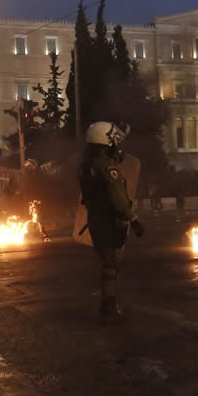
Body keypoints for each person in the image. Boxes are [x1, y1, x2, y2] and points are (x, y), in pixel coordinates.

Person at [77, 121, 144, 325]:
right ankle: (109, 309)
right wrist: (134, 219)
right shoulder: (108, 168)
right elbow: (118, 200)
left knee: (108, 264)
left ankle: (106, 307)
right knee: (112, 265)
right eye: (113, 140)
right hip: (109, 221)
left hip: (95, 219)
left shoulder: (86, 166)